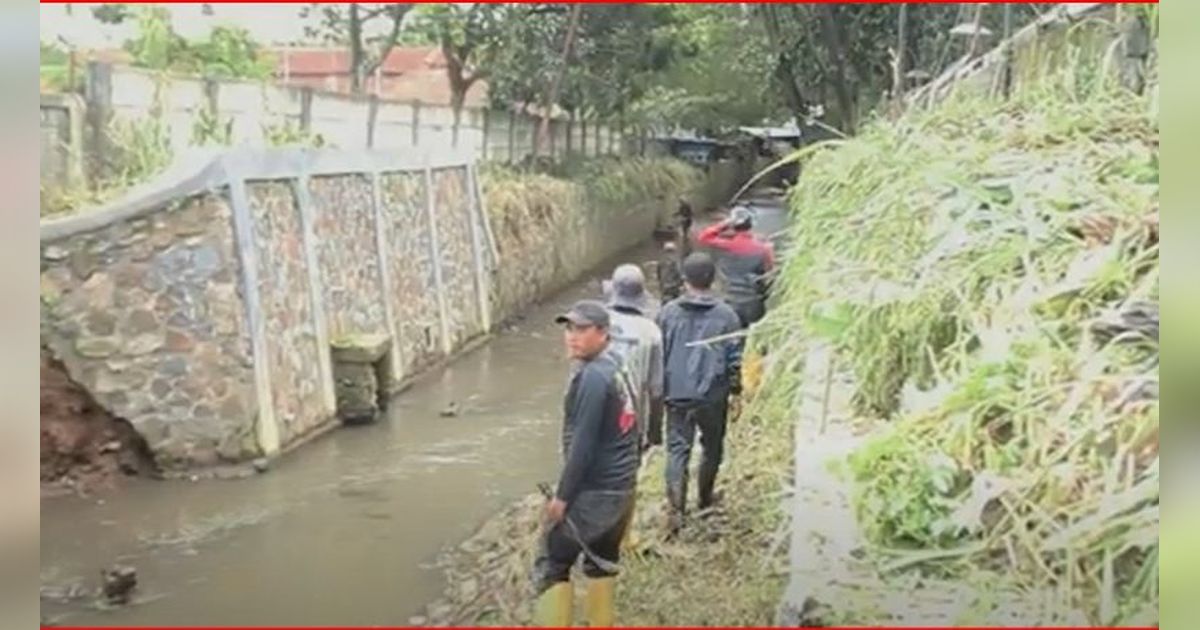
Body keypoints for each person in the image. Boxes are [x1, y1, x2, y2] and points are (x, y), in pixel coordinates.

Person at [533, 300, 640, 627]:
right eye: (568, 329)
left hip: (595, 492)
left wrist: (562, 498)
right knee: (602, 561)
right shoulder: (618, 365)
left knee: (552, 561)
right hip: (621, 489)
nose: (571, 337)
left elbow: (583, 445)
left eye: (581, 329)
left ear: (603, 333)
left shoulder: (593, 378)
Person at [656, 252, 743, 534]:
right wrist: (736, 391)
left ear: (684, 280)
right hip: (712, 395)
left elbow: (660, 353)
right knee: (712, 446)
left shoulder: (668, 313)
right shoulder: (727, 315)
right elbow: (734, 358)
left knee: (678, 449)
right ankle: (704, 500)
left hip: (676, 392)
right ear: (713, 279)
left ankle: (675, 511)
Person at [604, 264, 665, 451]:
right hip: (631, 420)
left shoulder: (598, 323)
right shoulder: (651, 332)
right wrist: (655, 434)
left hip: (596, 411)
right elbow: (657, 390)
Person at [696, 205, 775, 328]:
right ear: (751, 225)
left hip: (729, 301)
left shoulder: (725, 245)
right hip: (754, 303)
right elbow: (770, 274)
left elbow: (704, 237)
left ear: (733, 226)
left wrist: (726, 223)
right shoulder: (764, 248)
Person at [656, 241, 685, 306]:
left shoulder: (661, 261)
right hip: (674, 290)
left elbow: (658, 276)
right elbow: (680, 273)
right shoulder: (676, 261)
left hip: (664, 290)